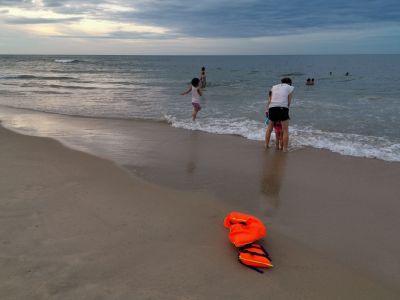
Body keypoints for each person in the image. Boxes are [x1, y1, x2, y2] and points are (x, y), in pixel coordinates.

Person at [265, 77, 294, 152]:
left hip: (272, 108)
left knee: (269, 128)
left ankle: (266, 145)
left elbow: (270, 99)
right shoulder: (290, 87)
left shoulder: (274, 87)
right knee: (285, 130)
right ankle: (285, 149)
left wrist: (268, 109)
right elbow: (289, 102)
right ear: (290, 83)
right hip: (282, 108)